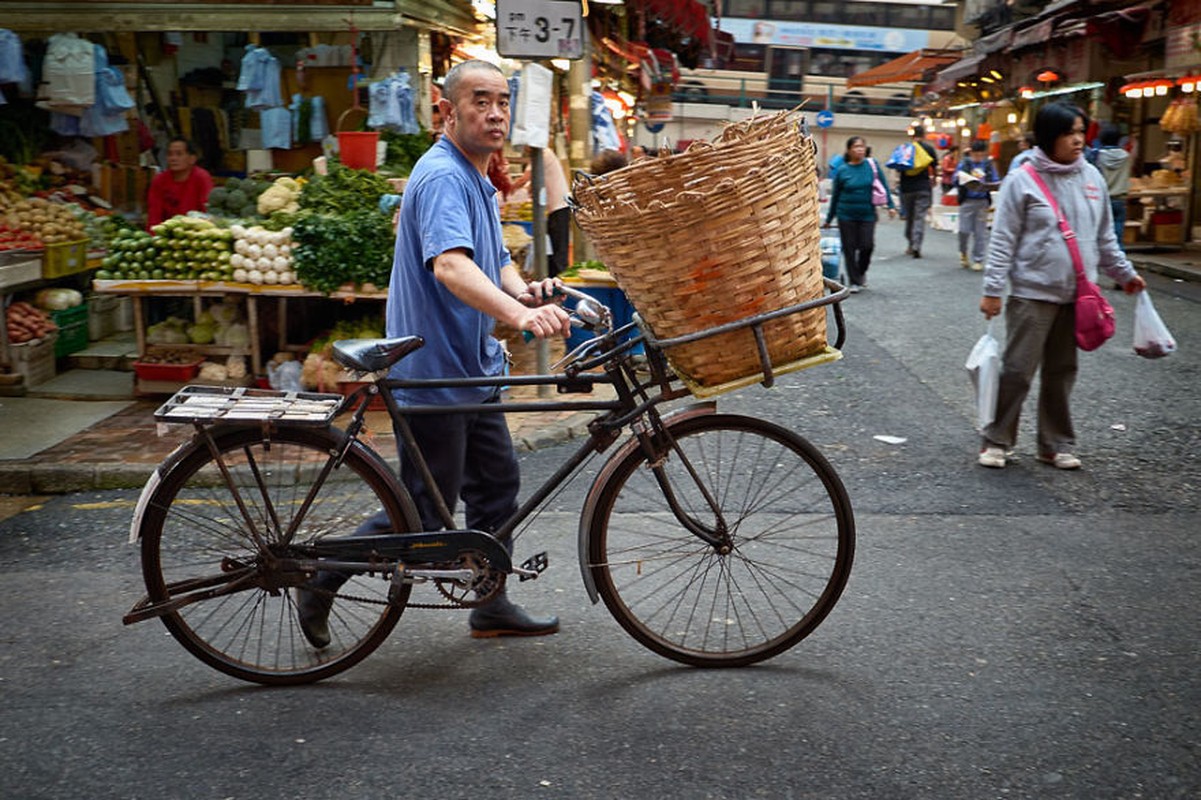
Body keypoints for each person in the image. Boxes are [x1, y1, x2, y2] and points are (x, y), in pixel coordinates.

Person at [296, 60, 572, 647]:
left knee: (496, 486)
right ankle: (324, 572)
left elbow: (490, 258)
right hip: (437, 373)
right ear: (447, 109)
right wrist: (518, 316)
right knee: (422, 514)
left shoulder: (476, 174)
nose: (494, 112)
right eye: (480, 100)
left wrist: (523, 291)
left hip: (472, 370)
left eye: (502, 101)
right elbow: (449, 264)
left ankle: (490, 602)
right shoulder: (444, 175)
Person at [977, 102, 1145, 471]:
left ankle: (1054, 444)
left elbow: (1105, 240)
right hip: (1031, 294)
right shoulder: (1022, 179)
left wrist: (1125, 274)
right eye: (1069, 133)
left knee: (1062, 371)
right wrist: (992, 290)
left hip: (1077, 295)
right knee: (1018, 370)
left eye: (1081, 132)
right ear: (1049, 136)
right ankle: (997, 440)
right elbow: (1003, 239)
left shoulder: (1093, 179)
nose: (1077, 140)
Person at [822, 135, 896, 293]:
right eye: (856, 147)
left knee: (867, 246)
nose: (860, 149)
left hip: (867, 214)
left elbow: (883, 186)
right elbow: (835, 197)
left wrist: (890, 205)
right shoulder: (842, 170)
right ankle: (854, 281)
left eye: (862, 146)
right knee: (849, 249)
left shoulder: (872, 165)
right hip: (845, 215)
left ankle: (861, 272)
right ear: (849, 150)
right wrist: (829, 218)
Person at [510, 146, 572, 277]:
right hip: (553, 209)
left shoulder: (543, 154)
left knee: (558, 250)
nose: (524, 148)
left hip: (559, 207)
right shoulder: (538, 156)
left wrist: (506, 190)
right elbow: (532, 184)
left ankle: (559, 281)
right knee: (552, 249)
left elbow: (524, 179)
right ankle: (551, 277)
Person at [145, 137, 213, 229]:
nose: (173, 158)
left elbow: (207, 210)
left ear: (192, 159)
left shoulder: (202, 177)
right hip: (167, 231)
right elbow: (154, 213)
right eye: (170, 154)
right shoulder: (160, 180)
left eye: (179, 154)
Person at [956, 140, 1000, 271]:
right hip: (967, 200)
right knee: (963, 230)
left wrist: (991, 185)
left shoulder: (987, 165)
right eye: (976, 155)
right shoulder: (965, 164)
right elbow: (956, 178)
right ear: (971, 153)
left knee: (980, 232)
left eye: (981, 155)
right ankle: (963, 252)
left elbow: (995, 180)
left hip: (982, 202)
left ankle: (978, 259)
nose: (978, 158)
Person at [1090, 123, 1131, 251]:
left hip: (1102, 198)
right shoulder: (1125, 156)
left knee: (1098, 232)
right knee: (1118, 231)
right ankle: (1118, 254)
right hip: (1120, 198)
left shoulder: (1097, 155)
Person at [899, 126, 937, 258]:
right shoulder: (929, 149)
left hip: (907, 188)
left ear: (912, 135)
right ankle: (917, 245)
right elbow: (934, 166)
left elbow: (898, 167)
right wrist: (934, 180)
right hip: (923, 187)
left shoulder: (905, 149)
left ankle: (910, 244)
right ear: (924, 135)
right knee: (919, 218)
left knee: (909, 218)